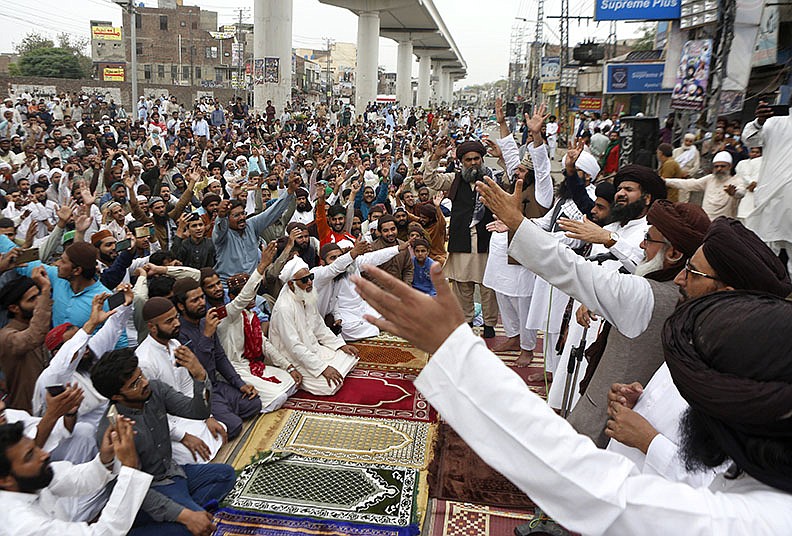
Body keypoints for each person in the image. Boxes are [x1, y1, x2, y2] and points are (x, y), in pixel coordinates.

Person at [352, 265, 792, 535]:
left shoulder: (754, 523)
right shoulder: (755, 481)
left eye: (693, 398)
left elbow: (590, 484)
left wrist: (455, 349)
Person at [476, 177, 712, 448]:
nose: (643, 246)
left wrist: (517, 223)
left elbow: (572, 269)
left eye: (649, 239)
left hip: (605, 426)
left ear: (673, 254)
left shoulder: (647, 295)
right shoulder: (688, 295)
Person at [605, 217, 792, 486]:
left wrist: (648, 441)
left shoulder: (753, 372)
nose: (679, 278)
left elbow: (720, 485)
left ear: (727, 293)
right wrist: (643, 402)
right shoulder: (690, 335)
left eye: (693, 272)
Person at [91, 347, 236, 536]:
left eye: (141, 375)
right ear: (117, 397)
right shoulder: (112, 433)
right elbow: (131, 490)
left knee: (226, 475)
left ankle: (175, 518)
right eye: (134, 384)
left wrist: (200, 376)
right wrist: (184, 514)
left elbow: (198, 412)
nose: (144, 383)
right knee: (194, 525)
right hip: (146, 492)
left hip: (173, 474)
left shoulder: (155, 389)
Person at [0, 416, 150, 535]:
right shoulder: (21, 524)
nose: (44, 454)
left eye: (36, 448)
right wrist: (130, 468)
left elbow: (78, 479)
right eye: (29, 456)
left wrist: (106, 458)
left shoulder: (31, 479)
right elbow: (103, 533)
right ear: (5, 480)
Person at [135, 297, 227, 465]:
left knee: (222, 428)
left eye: (176, 317)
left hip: (185, 414)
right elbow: (153, 413)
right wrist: (184, 437)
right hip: (165, 425)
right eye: (169, 321)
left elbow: (186, 387)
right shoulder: (144, 361)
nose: (177, 323)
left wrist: (207, 416)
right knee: (193, 455)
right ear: (152, 327)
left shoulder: (175, 344)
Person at [422, 138, 499, 338]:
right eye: (468, 160)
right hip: (462, 240)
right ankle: (466, 322)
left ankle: (489, 325)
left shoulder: (492, 179)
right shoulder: (455, 179)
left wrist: (502, 156)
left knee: (488, 287)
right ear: (461, 162)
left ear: (482, 159)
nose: (473, 163)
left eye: (476, 159)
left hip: (485, 241)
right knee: (462, 286)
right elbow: (431, 180)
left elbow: (511, 179)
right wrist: (436, 157)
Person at [172, 277, 263, 439]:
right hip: (199, 392)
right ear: (181, 306)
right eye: (195, 300)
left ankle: (223, 411)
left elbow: (220, 357)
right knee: (234, 426)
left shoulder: (203, 322)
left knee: (254, 403)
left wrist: (239, 384)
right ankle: (214, 416)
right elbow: (197, 371)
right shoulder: (178, 334)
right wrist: (206, 336)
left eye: (201, 297)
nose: (201, 302)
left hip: (216, 385)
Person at [269, 257, 360, 395]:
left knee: (351, 356)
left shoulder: (307, 295)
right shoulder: (284, 308)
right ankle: (291, 374)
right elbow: (294, 346)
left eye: (310, 277)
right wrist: (322, 368)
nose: (310, 282)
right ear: (291, 284)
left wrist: (340, 345)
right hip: (292, 358)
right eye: (304, 280)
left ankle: (327, 366)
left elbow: (319, 327)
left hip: (312, 349)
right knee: (329, 386)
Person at [213, 177, 298, 281]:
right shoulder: (222, 234)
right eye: (236, 216)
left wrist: (290, 191)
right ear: (227, 218)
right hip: (228, 287)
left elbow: (272, 212)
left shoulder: (251, 225)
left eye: (243, 214)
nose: (242, 218)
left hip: (252, 284)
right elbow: (220, 224)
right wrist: (222, 215)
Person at [742, 100, 792, 274]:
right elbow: (749, 139)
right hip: (772, 199)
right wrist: (759, 122)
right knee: (764, 253)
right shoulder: (774, 122)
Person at [0, 268, 52, 412]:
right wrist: (46, 289)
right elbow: (34, 336)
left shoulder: (33, 323)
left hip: (48, 406)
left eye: (38, 296)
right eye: (32, 299)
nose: (38, 302)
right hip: (26, 412)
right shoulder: (6, 337)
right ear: (14, 308)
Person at [665, 151, 742, 219]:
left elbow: (741, 193)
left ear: (730, 166)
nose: (719, 169)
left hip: (726, 224)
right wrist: (666, 181)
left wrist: (734, 193)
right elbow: (689, 183)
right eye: (716, 166)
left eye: (722, 166)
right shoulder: (710, 179)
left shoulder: (736, 180)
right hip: (707, 222)